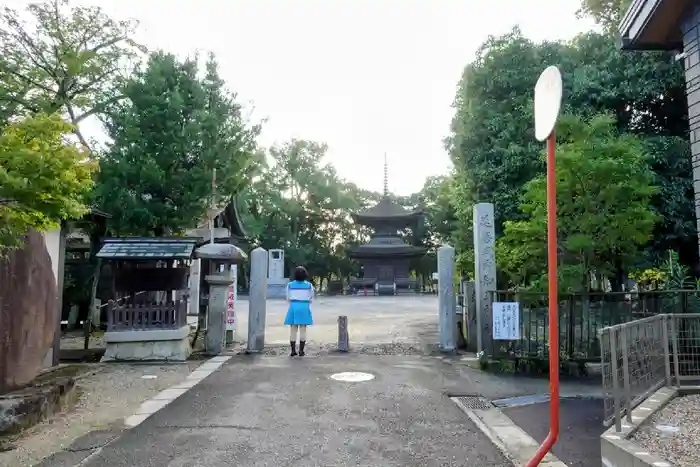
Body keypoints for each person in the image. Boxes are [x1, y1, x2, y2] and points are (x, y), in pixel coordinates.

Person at [284, 266, 314, 356]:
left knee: (293, 330)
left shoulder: (290, 285)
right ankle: (301, 350)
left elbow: (288, 297)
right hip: (304, 306)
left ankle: (293, 351)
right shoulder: (309, 285)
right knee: (303, 330)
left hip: (294, 306)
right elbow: (311, 297)